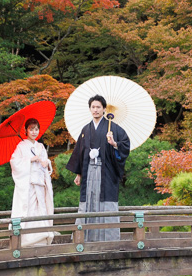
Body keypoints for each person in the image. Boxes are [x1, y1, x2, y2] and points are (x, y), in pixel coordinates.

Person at [65, 95, 131, 241]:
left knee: (105, 202)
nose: (95, 110)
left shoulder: (113, 128)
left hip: (106, 173)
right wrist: (79, 173)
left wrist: (114, 144)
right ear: (90, 109)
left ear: (104, 109)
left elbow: (125, 146)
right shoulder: (85, 130)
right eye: (93, 107)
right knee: (88, 202)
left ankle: (108, 239)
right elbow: (80, 152)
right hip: (88, 172)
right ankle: (85, 239)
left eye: (98, 107)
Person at [10, 118, 55, 246]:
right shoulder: (21, 146)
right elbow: (14, 162)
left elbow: (45, 163)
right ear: (26, 130)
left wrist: (47, 163)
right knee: (28, 209)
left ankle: (43, 236)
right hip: (28, 183)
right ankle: (27, 239)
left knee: (41, 208)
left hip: (40, 182)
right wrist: (29, 159)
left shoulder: (40, 146)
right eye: (31, 129)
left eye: (36, 129)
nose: (34, 132)